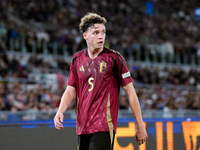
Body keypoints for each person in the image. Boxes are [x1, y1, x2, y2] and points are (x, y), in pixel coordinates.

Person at [54, 12, 148, 150]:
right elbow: (70, 90)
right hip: (82, 127)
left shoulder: (114, 59)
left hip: (104, 125)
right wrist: (60, 111)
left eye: (103, 32)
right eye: (96, 32)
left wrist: (140, 126)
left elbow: (131, 92)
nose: (101, 36)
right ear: (85, 35)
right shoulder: (76, 59)